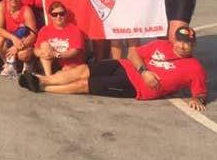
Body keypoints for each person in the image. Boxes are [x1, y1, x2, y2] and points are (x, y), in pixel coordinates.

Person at [19, 26, 207, 112]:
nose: (183, 46)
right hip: (125, 66)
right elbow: (133, 54)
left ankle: (44, 87)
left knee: (85, 84)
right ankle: (42, 79)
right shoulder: (161, 45)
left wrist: (197, 99)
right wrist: (145, 71)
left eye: (188, 44)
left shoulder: (195, 68)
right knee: (82, 70)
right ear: (174, 39)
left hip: (136, 86)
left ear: (194, 45)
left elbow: (200, 92)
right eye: (180, 42)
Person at [0, 0, 37, 76]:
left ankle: (28, 63)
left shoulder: (26, 10)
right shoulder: (1, 6)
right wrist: (13, 38)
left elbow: (33, 35)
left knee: (23, 54)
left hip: (25, 40)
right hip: (12, 37)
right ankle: (9, 63)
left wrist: (18, 46)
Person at [34, 2, 85, 75]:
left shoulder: (75, 30)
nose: (58, 17)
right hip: (51, 64)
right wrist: (42, 53)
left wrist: (56, 54)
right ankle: (49, 77)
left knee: (66, 70)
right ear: (50, 16)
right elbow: (36, 50)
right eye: (54, 14)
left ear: (66, 14)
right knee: (44, 46)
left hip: (70, 64)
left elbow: (74, 52)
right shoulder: (44, 30)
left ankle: (50, 79)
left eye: (61, 14)